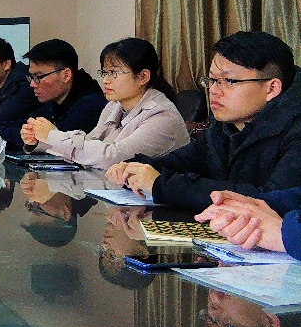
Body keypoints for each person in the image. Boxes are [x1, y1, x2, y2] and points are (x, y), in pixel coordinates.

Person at [108, 30, 301, 212]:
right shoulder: (222, 128)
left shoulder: (296, 129)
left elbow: (273, 200)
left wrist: (161, 185)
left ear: (271, 88)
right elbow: (178, 162)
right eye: (211, 80)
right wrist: (133, 168)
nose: (214, 91)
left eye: (229, 81)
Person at [22, 37, 189, 169]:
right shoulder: (114, 106)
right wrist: (39, 141)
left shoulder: (163, 115)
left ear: (143, 77)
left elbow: (112, 157)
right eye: (104, 73)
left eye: (114, 73)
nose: (106, 80)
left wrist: (52, 135)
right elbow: (88, 144)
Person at [18, 39, 107, 149]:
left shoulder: (92, 105)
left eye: (39, 77)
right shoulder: (54, 101)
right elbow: (22, 128)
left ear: (66, 75)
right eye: (31, 77)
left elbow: (60, 143)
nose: (32, 84)